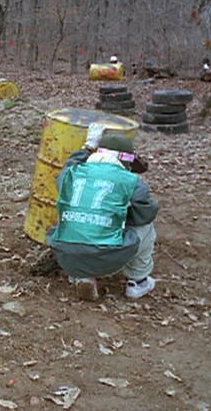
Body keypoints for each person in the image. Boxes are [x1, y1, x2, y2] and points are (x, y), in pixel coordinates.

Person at [46, 123, 160, 301]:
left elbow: (70, 164)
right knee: (146, 227)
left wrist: (88, 145)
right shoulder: (132, 182)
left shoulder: (71, 173)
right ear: (127, 161)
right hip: (104, 255)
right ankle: (138, 282)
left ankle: (82, 276)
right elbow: (146, 214)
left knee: (74, 224)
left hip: (65, 254)